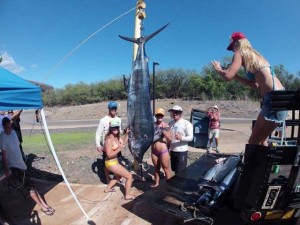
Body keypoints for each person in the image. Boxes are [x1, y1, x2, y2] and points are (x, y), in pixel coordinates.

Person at [212, 32, 288, 146]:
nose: (233, 50)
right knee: (262, 141)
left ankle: (255, 163)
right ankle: (264, 163)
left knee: (253, 143)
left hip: (273, 99)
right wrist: (236, 77)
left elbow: (227, 76)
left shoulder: (239, 52)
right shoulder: (256, 57)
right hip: (281, 98)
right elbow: (256, 85)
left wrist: (218, 69)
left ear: (237, 43)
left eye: (232, 47)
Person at [0, 117, 55, 215]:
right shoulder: (3, 137)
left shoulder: (13, 133)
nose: (9, 129)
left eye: (10, 127)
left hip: (22, 165)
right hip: (15, 167)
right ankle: (43, 206)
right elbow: (4, 155)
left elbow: (17, 149)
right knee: (30, 187)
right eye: (7, 128)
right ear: (3, 127)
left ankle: (44, 205)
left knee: (32, 186)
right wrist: (6, 168)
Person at [103, 119, 135, 200]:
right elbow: (109, 155)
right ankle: (127, 195)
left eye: (117, 128)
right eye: (113, 128)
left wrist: (127, 134)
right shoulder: (109, 139)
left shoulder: (116, 137)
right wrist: (118, 149)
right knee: (129, 176)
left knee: (118, 176)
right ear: (110, 128)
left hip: (114, 162)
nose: (115, 129)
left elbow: (123, 143)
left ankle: (107, 189)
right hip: (110, 163)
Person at [95, 101, 122, 183]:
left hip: (116, 144)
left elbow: (119, 131)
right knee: (106, 163)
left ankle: (117, 177)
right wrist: (98, 145)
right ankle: (107, 179)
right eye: (112, 108)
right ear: (109, 109)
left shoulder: (118, 119)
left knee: (118, 161)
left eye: (115, 108)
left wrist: (125, 131)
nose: (113, 109)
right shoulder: (103, 120)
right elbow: (98, 133)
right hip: (107, 145)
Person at [164, 105, 193, 174]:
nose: (175, 114)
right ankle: (175, 183)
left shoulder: (186, 123)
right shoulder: (171, 123)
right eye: (173, 112)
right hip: (173, 151)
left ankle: (180, 184)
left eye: (177, 112)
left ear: (180, 113)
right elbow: (169, 137)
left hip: (181, 151)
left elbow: (191, 137)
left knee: (180, 171)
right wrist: (167, 148)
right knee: (174, 170)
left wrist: (181, 138)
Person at [151, 108, 171, 187]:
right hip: (154, 151)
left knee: (166, 169)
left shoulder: (166, 126)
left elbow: (170, 139)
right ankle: (157, 183)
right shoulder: (152, 126)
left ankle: (169, 185)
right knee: (156, 168)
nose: (159, 116)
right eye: (158, 115)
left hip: (163, 151)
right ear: (155, 116)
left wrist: (166, 135)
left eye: (161, 115)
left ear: (163, 116)